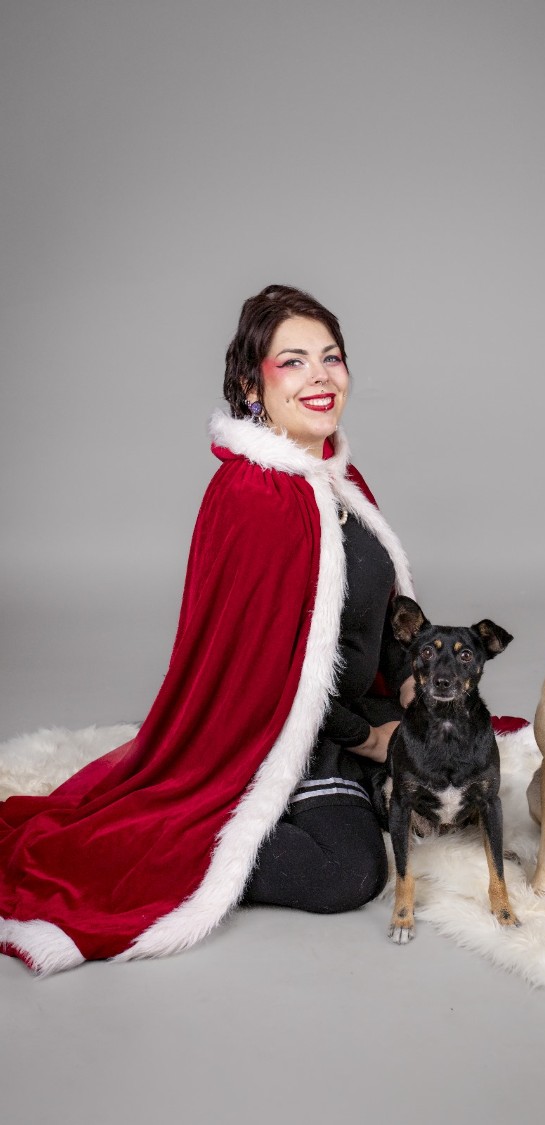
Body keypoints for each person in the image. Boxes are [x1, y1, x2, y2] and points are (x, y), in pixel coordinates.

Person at [0, 284, 418, 975]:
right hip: (278, 740)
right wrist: (367, 739)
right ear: (253, 385)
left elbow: (382, 617)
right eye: (293, 361)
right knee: (348, 873)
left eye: (331, 357)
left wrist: (408, 693)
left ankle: (352, 786)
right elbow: (260, 683)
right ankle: (198, 850)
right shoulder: (254, 497)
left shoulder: (339, 481)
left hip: (343, 712)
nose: (320, 376)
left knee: (464, 775)